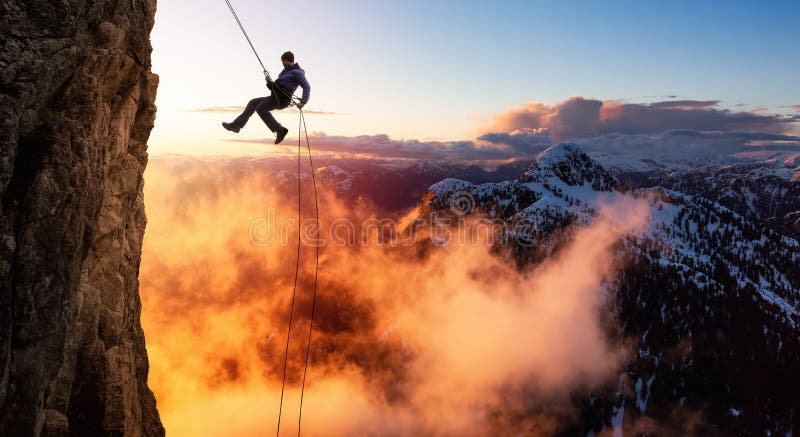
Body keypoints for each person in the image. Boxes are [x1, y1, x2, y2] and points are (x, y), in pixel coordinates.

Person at [222, 51, 311, 144]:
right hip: (275, 96)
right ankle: (236, 125)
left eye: (282, 61)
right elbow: (275, 88)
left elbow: (306, 86)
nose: (282, 63)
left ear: (286, 60)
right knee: (253, 102)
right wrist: (269, 82)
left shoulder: (297, 72)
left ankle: (279, 130)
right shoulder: (284, 73)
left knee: (261, 108)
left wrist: (303, 102)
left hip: (282, 99)